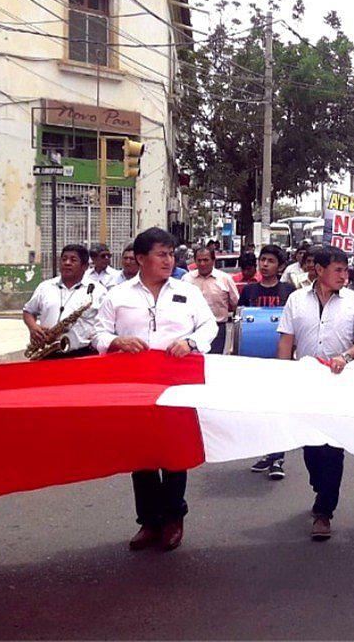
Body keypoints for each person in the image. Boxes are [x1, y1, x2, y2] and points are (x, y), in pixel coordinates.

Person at [93, 227, 217, 552]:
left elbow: (209, 325)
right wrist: (116, 341)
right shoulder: (117, 295)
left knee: (174, 453)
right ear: (140, 258)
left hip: (176, 382)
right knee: (142, 454)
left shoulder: (186, 291)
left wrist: (191, 342)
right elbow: (98, 333)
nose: (168, 260)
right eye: (161, 254)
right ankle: (149, 522)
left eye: (171, 254)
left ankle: (174, 518)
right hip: (134, 387)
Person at [276, 246, 354, 540]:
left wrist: (345, 356)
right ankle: (321, 487)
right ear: (319, 270)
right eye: (338, 270)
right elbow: (286, 341)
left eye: (346, 270)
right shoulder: (296, 299)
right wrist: (281, 376)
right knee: (311, 447)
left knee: (333, 448)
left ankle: (324, 511)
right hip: (306, 382)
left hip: (339, 382)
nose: (344, 276)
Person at [241, 244, 298, 477]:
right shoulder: (249, 291)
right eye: (262, 260)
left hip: (281, 359)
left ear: (280, 265)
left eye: (270, 261)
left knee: (279, 409)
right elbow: (240, 324)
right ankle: (267, 453)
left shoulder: (288, 291)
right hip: (256, 361)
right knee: (261, 410)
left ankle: (278, 458)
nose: (264, 264)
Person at [23, 245, 106, 359]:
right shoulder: (45, 286)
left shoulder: (98, 291)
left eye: (73, 260)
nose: (67, 263)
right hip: (47, 353)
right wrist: (33, 327)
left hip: (83, 354)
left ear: (85, 266)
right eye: (64, 259)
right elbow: (28, 311)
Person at [184, 245, 239, 354]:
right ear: (195, 261)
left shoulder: (225, 279)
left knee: (213, 361)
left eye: (206, 260)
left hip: (217, 329)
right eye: (199, 260)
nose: (202, 264)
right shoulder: (186, 279)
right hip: (191, 329)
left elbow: (236, 303)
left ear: (213, 261)